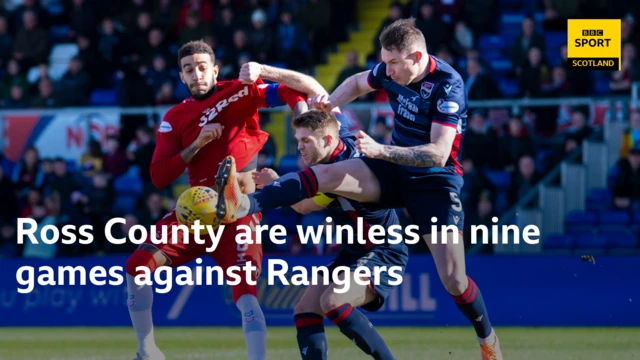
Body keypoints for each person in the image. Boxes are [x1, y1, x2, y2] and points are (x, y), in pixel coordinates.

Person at [215, 19, 503, 359]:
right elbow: (351, 81)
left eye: (394, 63)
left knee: (454, 280)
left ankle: (487, 338)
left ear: (417, 56)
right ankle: (246, 205)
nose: (387, 71)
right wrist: (329, 100)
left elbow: (438, 154)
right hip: (390, 178)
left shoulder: (448, 86)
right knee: (326, 180)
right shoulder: (379, 80)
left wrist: (381, 151)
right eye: (385, 62)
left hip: (433, 181)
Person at [125, 40, 324, 360]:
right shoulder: (175, 117)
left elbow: (289, 91)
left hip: (239, 210)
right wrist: (197, 145)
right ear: (181, 77)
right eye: (189, 69)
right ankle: (147, 349)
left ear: (215, 70)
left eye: (203, 67)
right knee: (137, 267)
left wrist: (300, 114)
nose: (197, 73)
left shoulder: (241, 90)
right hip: (193, 212)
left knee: (245, 296)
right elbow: (159, 176)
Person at [252, 110, 408, 360]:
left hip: (383, 251)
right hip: (355, 251)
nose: (300, 148)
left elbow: (303, 206)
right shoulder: (336, 150)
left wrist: (276, 184)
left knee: (333, 300)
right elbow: (318, 97)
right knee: (305, 310)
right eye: (298, 140)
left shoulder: (340, 173)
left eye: (306, 141)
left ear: (326, 140)